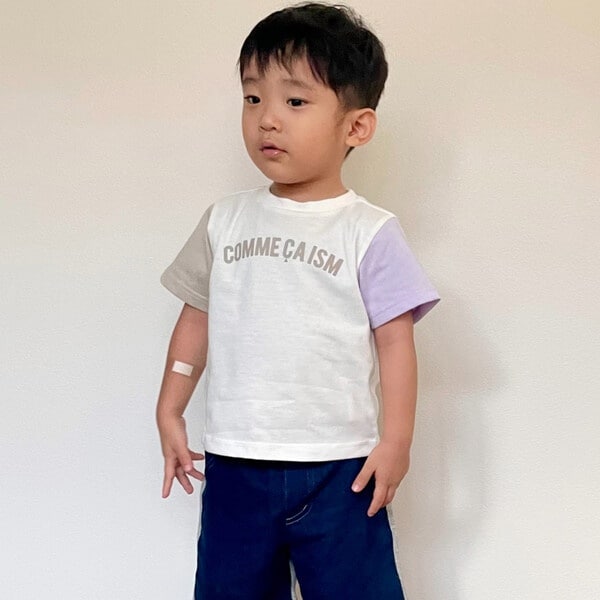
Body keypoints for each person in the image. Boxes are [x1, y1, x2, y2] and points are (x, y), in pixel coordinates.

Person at [156, 3, 440, 599]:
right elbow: (196, 317)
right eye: (252, 97)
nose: (267, 119)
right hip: (235, 464)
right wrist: (170, 408)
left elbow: (395, 342)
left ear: (356, 127)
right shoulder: (224, 221)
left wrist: (397, 441)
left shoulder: (368, 231)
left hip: (341, 471)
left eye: (294, 100)